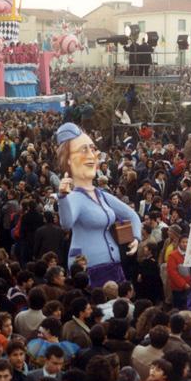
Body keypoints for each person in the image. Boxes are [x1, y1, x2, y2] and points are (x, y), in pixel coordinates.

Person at [56, 123, 140, 287]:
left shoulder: (102, 195)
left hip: (114, 266)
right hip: (89, 268)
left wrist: (135, 237)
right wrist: (62, 197)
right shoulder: (74, 198)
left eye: (92, 149)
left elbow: (132, 215)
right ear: (68, 160)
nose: (91, 155)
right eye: (82, 150)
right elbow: (66, 223)